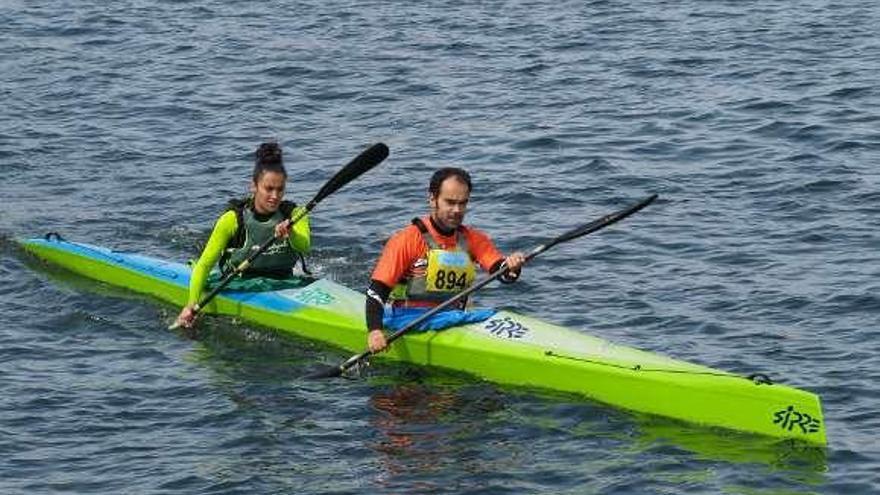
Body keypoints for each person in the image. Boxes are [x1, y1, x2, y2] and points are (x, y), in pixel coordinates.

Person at [365, 167, 526, 353]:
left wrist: (512, 266)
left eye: (463, 203)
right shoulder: (405, 240)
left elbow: (503, 273)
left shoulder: (474, 239)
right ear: (432, 199)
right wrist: (375, 331)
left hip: (454, 318)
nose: (457, 210)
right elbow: (376, 292)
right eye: (450, 202)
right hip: (406, 320)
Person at [174, 142, 310, 328]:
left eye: (280, 189)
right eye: (268, 188)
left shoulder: (295, 214)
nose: (275, 196)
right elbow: (205, 265)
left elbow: (304, 247)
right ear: (254, 186)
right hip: (239, 282)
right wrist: (191, 304)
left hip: (284, 280)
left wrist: (291, 231)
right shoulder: (232, 219)